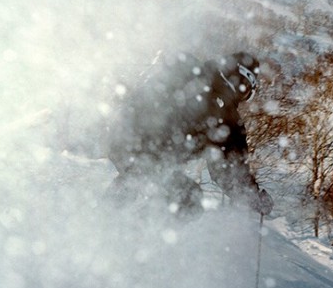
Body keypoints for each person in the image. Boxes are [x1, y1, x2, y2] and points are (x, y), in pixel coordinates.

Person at [106, 51, 273, 216]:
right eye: (246, 91)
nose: (242, 98)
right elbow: (229, 172)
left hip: (122, 137)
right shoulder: (226, 117)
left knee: (141, 178)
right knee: (187, 198)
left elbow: (144, 91)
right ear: (240, 80)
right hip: (149, 154)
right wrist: (255, 198)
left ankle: (106, 214)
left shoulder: (191, 70)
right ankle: (139, 229)